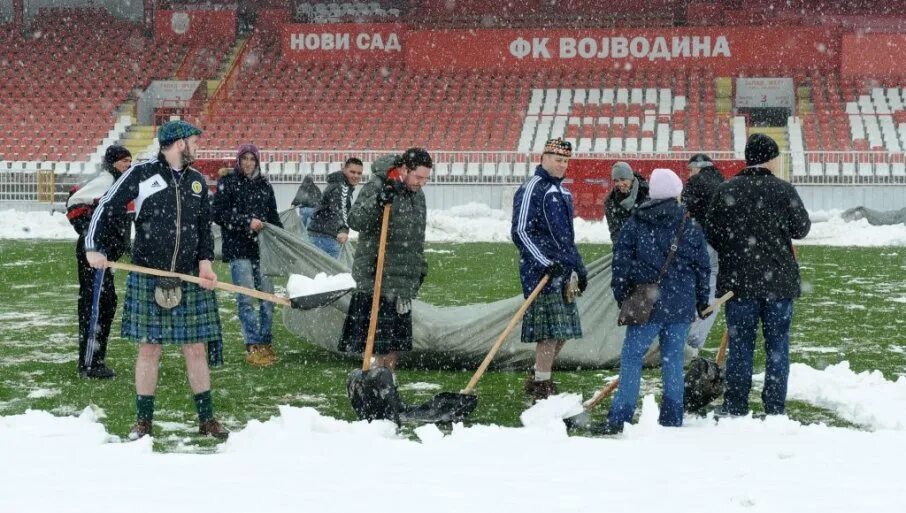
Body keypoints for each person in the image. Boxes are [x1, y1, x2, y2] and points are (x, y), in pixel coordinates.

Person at [85, 120, 229, 440]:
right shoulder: (142, 174)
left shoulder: (196, 181)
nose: (198, 146)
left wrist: (205, 265)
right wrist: (93, 247)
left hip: (189, 275)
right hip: (149, 274)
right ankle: (143, 422)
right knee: (150, 349)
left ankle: (207, 420)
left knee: (195, 348)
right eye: (194, 141)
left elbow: (204, 228)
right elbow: (106, 207)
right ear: (178, 143)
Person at [706, 133, 811, 417]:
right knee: (778, 347)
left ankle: (736, 404)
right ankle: (775, 407)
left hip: (739, 285)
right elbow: (801, 229)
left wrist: (736, 251)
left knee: (741, 347)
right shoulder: (784, 190)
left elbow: (712, 232)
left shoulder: (728, 189)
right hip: (779, 283)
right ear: (772, 159)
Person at [600, 168, 711, 434]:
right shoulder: (689, 224)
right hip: (680, 305)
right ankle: (672, 417)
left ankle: (621, 416)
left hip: (645, 304)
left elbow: (621, 262)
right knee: (673, 362)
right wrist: (701, 300)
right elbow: (702, 267)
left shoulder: (636, 221)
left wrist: (623, 295)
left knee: (631, 358)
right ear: (676, 192)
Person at [338, 149, 432, 382]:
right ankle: (371, 382)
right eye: (418, 177)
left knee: (392, 345)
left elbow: (415, 236)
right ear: (403, 169)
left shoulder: (418, 195)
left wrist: (418, 268)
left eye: (426, 178)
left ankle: (387, 382)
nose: (422, 183)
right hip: (376, 275)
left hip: (401, 278)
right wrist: (379, 203)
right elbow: (356, 220)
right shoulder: (378, 185)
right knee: (375, 342)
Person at [511, 138, 588, 402]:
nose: (562, 165)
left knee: (563, 331)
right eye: (558, 160)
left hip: (564, 273)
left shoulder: (563, 192)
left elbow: (568, 238)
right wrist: (545, 263)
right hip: (540, 273)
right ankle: (542, 384)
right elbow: (521, 231)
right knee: (549, 333)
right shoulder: (532, 188)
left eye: (566, 161)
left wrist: (579, 267)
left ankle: (537, 376)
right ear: (543, 158)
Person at [212, 143, 283, 367]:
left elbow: (272, 215)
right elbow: (218, 214)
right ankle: (252, 344)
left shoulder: (264, 185)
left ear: (257, 162)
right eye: (245, 159)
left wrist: (279, 236)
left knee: (268, 299)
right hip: (238, 249)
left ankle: (265, 342)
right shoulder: (228, 183)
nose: (249, 163)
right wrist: (245, 222)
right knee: (246, 299)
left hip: (261, 250)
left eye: (253, 159)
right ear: (239, 160)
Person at [67, 144, 132, 379]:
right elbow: (74, 203)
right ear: (114, 163)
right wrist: (90, 236)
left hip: (106, 257)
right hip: (94, 256)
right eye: (125, 161)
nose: (128, 165)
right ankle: (89, 364)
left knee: (107, 303)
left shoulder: (118, 184)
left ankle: (96, 358)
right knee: (94, 307)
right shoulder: (105, 181)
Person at [681, 153, 725, 350]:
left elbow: (683, 207)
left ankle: (689, 336)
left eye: (690, 170)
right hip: (722, 243)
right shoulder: (723, 181)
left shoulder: (696, 182)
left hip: (702, 240)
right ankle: (697, 336)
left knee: (693, 285)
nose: (689, 174)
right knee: (713, 289)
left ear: (698, 167)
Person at [307, 157, 364, 258]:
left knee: (318, 271)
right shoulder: (342, 187)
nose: (356, 176)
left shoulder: (338, 183)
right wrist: (343, 230)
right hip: (325, 236)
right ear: (344, 170)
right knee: (330, 271)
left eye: (359, 173)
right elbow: (340, 209)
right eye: (352, 172)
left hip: (319, 233)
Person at [604, 161, 649, 242]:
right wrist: (621, 248)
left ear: (630, 178)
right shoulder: (611, 201)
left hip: (648, 245)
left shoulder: (647, 193)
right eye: (616, 181)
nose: (620, 184)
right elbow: (615, 231)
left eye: (623, 179)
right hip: (626, 246)